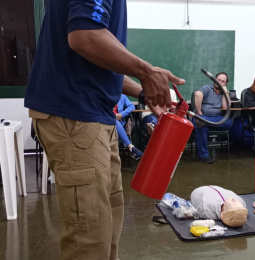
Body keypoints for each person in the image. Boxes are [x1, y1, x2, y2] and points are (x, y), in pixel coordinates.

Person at [24, 1, 185, 259]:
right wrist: (146, 71)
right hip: (75, 116)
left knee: (108, 220)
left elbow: (101, 64)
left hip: (96, 116)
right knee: (89, 237)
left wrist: (145, 93)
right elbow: (85, 37)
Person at [193, 72, 233, 164]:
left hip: (215, 118)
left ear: (225, 83)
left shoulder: (223, 93)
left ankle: (205, 122)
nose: (219, 82)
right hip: (202, 116)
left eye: (222, 81)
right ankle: (204, 156)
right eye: (218, 80)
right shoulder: (207, 88)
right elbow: (197, 94)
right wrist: (199, 112)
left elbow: (226, 107)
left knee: (229, 122)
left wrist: (225, 92)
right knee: (201, 126)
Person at [115, 94, 143, 160]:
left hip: (120, 124)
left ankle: (129, 146)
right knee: (113, 120)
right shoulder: (103, 95)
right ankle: (131, 147)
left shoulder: (122, 96)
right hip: (105, 121)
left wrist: (121, 114)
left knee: (115, 121)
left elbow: (131, 106)